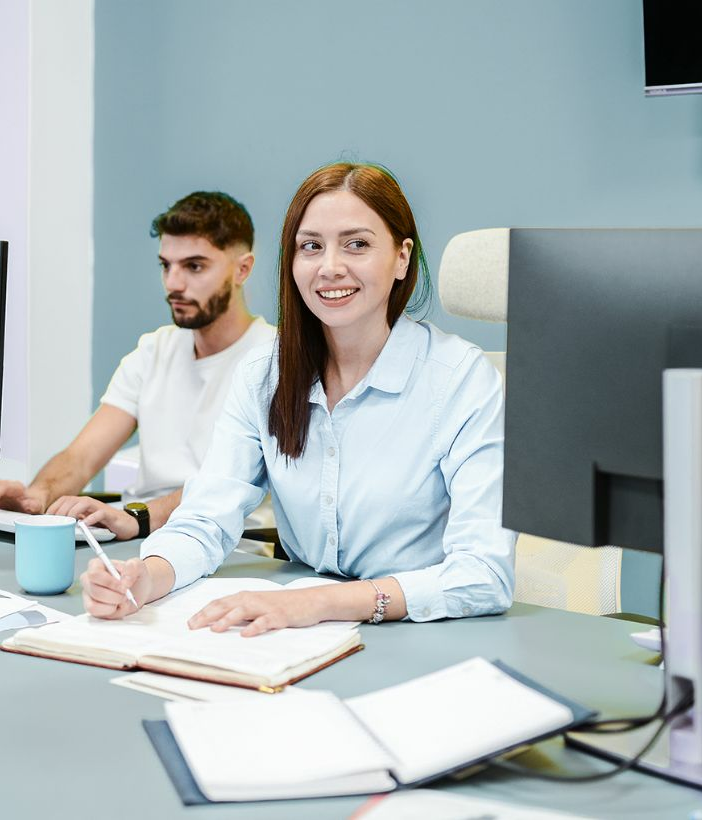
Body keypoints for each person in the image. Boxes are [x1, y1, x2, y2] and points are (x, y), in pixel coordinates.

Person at [80, 163, 514, 630]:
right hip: (297, 630)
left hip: (422, 633)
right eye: (311, 246)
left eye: (358, 244)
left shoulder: (461, 379)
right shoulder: (263, 376)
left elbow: (484, 574)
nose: (330, 267)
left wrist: (324, 603)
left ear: (402, 258)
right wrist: (145, 577)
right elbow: (206, 519)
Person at [0, 191, 275, 539]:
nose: (173, 283)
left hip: (232, 544)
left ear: (242, 269)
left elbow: (227, 484)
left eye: (194, 266)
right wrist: (38, 494)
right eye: (166, 265)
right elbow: (81, 457)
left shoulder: (274, 360)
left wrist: (136, 517)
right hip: (145, 535)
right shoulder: (153, 351)